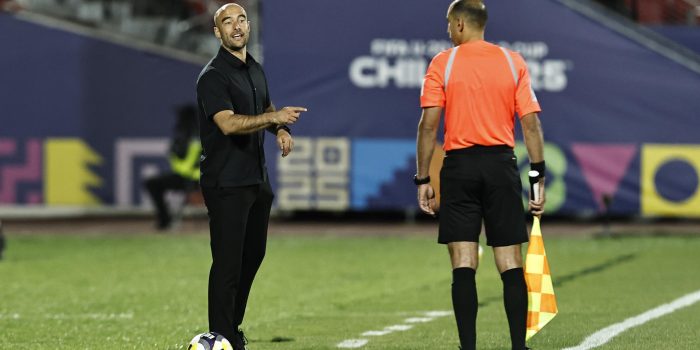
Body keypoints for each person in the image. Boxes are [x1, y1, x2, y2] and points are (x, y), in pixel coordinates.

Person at [414, 1, 546, 349]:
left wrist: (423, 178)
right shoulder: (511, 61)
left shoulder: (444, 62)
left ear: (459, 24)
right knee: (509, 260)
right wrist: (538, 177)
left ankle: (468, 347)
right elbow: (531, 125)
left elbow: (428, 127)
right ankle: (519, 346)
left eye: (447, 24)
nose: (446, 30)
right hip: (501, 165)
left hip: (459, 168)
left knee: (463, 261)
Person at [195, 3, 306, 349]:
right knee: (228, 264)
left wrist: (280, 131)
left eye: (241, 19)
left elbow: (266, 110)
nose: (236, 26)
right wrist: (273, 120)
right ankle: (221, 337)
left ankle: (232, 327)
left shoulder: (254, 68)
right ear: (218, 33)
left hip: (256, 180)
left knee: (252, 256)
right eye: (227, 22)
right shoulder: (213, 76)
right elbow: (228, 123)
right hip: (226, 182)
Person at [144, 104, 201, 230]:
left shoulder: (184, 136)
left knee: (151, 183)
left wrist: (173, 151)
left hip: (190, 179)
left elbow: (181, 163)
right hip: (208, 179)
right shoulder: (209, 131)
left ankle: (164, 221)